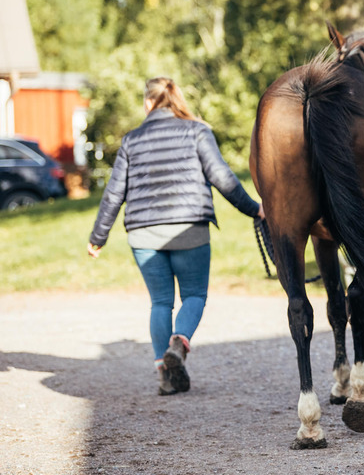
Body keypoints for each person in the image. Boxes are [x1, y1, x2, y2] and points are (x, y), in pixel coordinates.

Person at [87, 77, 264, 396]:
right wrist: (254, 209)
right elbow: (222, 177)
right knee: (194, 295)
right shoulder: (197, 131)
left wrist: (98, 236)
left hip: (143, 234)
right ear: (176, 99)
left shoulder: (131, 140)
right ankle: (179, 344)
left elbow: (114, 193)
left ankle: (165, 377)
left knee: (160, 302)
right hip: (189, 228)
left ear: (147, 103)